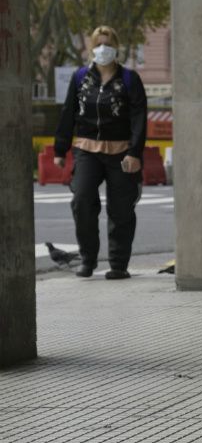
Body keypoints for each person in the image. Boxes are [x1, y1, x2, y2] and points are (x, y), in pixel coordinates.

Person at [53, 25, 148, 279]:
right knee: (82, 200)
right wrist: (60, 149)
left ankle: (118, 265)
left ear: (116, 47)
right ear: (91, 48)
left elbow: (139, 117)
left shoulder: (129, 79)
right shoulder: (80, 77)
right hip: (86, 150)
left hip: (122, 152)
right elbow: (68, 112)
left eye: (107, 43)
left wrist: (135, 152)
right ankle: (88, 260)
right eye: (98, 44)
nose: (102, 48)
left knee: (121, 209)